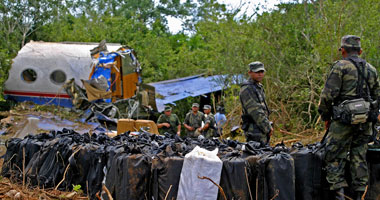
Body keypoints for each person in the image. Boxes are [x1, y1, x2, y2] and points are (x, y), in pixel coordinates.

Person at [318, 35, 380, 200]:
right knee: (359, 156)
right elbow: (377, 97)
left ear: (343, 50)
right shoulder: (371, 69)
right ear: (360, 51)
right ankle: (359, 195)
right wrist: (372, 116)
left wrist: (326, 116)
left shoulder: (340, 67)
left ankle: (339, 195)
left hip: (342, 123)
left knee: (333, 156)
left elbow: (327, 96)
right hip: (365, 122)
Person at [239, 61, 273, 144]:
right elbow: (255, 111)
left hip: (261, 128)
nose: (260, 74)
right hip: (254, 130)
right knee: (258, 154)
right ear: (250, 73)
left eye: (262, 72)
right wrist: (267, 127)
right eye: (257, 72)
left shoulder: (258, 87)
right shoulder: (247, 89)